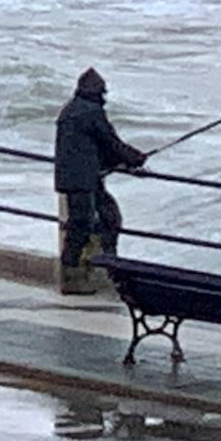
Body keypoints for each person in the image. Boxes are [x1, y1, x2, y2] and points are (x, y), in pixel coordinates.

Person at [54, 68, 147, 291]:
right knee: (81, 226)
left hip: (78, 177)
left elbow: (97, 146)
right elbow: (110, 142)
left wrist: (126, 160)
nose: (103, 97)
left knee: (108, 215)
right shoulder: (91, 112)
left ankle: (109, 265)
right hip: (82, 180)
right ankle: (72, 278)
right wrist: (135, 158)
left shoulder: (71, 110)